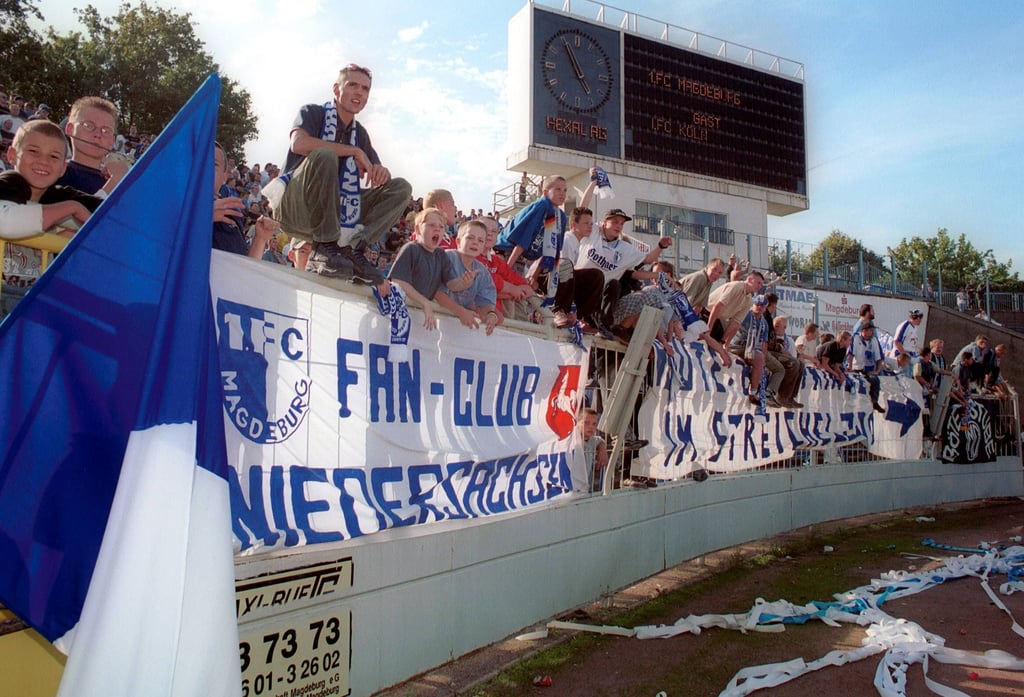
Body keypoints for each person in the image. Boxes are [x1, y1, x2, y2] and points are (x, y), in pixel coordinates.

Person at [271, 64, 412, 288]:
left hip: (337, 212)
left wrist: (381, 172)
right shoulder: (312, 112)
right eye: (352, 85)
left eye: (365, 89)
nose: (359, 92)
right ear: (336, 89)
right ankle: (324, 247)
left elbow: (377, 171)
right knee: (325, 155)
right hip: (297, 207)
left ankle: (352, 249)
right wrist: (352, 151)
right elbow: (298, 144)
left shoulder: (360, 133)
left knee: (401, 188)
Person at [1, 119, 101, 239]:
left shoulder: (57, 196)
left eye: (54, 156)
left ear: (63, 168)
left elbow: (108, 210)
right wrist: (72, 208)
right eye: (33, 151)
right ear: (12, 155)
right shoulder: (7, 182)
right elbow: (5, 222)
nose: (44, 161)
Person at [575, 208, 672, 329]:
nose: (618, 226)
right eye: (615, 221)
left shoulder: (625, 248)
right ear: (604, 222)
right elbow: (581, 210)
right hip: (578, 287)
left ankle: (604, 326)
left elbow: (647, 259)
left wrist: (660, 246)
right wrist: (593, 187)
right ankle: (578, 317)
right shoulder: (594, 232)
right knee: (596, 275)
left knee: (614, 284)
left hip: (598, 297)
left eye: (621, 223)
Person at [387, 208, 464, 331]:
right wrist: (424, 302)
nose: (437, 229)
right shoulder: (411, 249)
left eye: (441, 226)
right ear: (418, 230)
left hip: (420, 317)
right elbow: (398, 281)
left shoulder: (441, 255)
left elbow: (452, 284)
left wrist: (463, 282)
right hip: (398, 315)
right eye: (432, 225)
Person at [212, 141, 277, 259]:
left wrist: (260, 239)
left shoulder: (233, 214)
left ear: (225, 177)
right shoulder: (174, 209)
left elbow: (243, 269)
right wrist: (202, 216)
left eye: (213, 164)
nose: (204, 168)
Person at [57, 96, 130, 198]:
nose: (98, 134)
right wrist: (113, 183)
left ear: (112, 141)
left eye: (106, 131)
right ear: (70, 129)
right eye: (88, 126)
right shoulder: (56, 173)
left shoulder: (124, 181)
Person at [443, 219, 500, 336]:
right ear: (458, 241)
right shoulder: (445, 258)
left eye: (480, 240)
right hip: (433, 318)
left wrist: (491, 315)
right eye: (470, 238)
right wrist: (461, 311)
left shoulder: (482, 272)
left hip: (457, 326)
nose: (475, 243)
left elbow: (486, 301)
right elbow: (436, 294)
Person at [729, 294, 773, 407]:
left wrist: (763, 358)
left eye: (762, 306)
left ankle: (760, 390)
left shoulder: (764, 323)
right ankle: (753, 392)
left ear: (765, 308)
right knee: (758, 360)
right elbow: (733, 326)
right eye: (757, 305)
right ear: (753, 304)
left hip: (753, 348)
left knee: (762, 362)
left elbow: (764, 343)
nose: (759, 307)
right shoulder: (746, 315)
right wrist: (726, 343)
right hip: (738, 345)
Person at [764, 296, 804, 408]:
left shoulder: (788, 339)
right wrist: (781, 349)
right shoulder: (766, 317)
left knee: (800, 364)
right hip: (767, 350)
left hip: (771, 349)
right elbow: (768, 342)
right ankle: (782, 396)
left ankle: (790, 396)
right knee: (793, 364)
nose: (775, 328)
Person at [705, 271, 765, 345]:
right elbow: (717, 307)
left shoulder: (749, 300)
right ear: (749, 280)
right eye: (758, 283)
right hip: (706, 312)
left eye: (761, 284)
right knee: (707, 340)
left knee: (716, 343)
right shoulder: (736, 287)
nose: (760, 286)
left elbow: (736, 323)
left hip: (719, 319)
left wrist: (723, 342)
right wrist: (708, 330)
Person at [847, 322, 885, 413]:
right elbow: (850, 354)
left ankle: (874, 402)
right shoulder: (856, 338)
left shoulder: (874, 340)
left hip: (869, 370)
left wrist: (877, 370)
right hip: (856, 368)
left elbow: (879, 358)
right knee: (854, 383)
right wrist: (850, 366)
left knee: (875, 380)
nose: (872, 332)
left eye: (872, 330)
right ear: (864, 331)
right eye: (870, 330)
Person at [575, 407, 608, 493]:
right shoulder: (572, 441)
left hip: (585, 489)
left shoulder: (591, 440)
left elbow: (599, 440)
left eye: (594, 424)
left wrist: (602, 448)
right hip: (572, 489)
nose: (591, 427)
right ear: (577, 423)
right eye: (586, 423)